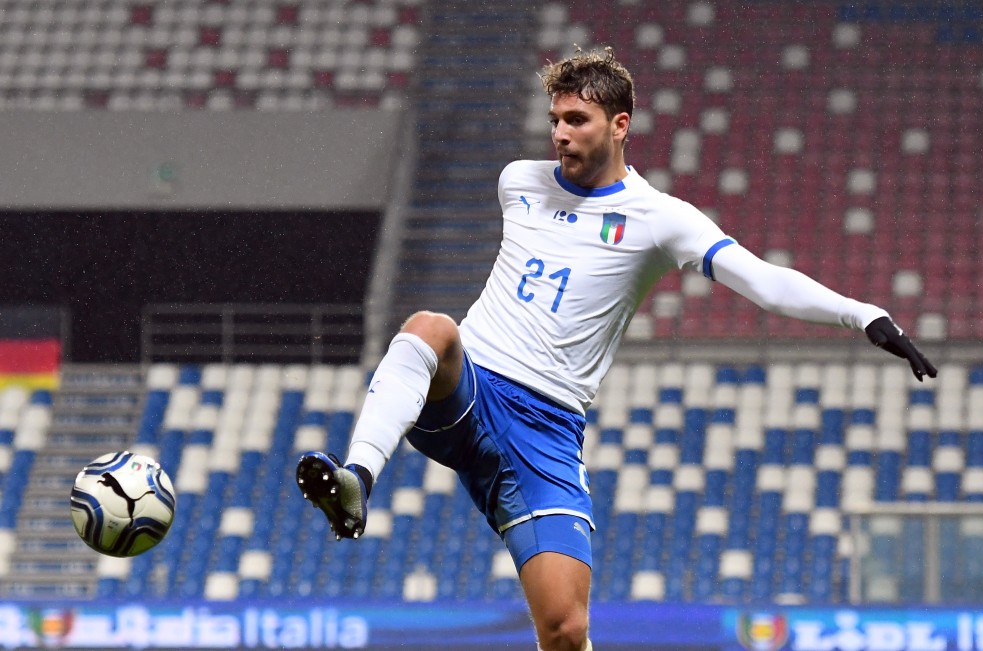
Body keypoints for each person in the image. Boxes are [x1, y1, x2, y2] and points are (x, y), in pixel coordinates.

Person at [296, 47, 937, 651]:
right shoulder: (518, 182)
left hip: (547, 429)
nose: (560, 133)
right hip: (472, 387)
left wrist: (863, 315)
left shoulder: (661, 219)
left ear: (620, 124)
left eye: (577, 119)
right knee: (430, 328)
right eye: (554, 120)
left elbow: (761, 279)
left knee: (566, 630)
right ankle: (357, 479)